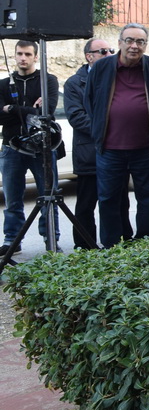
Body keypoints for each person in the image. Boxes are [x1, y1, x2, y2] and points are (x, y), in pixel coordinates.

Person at [85, 24, 149, 247]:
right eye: (129, 40)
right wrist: (99, 130)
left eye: (140, 42)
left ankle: (145, 243)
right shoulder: (102, 67)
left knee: (148, 198)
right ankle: (113, 246)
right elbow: (91, 100)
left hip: (146, 148)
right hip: (110, 148)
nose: (134, 46)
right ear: (120, 42)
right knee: (109, 199)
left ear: (146, 45)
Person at [0, 40, 60, 255]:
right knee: (12, 198)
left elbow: (47, 112)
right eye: (19, 54)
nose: (22, 58)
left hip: (41, 148)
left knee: (49, 196)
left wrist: (11, 109)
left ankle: (51, 238)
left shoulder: (48, 81)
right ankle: (12, 241)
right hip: (11, 147)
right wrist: (27, 109)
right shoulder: (4, 84)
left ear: (36, 56)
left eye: (27, 54)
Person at [64, 38, 118, 249]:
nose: (109, 55)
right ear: (89, 56)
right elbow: (77, 117)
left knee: (115, 202)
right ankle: (85, 247)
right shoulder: (73, 84)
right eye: (103, 51)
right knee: (86, 204)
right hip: (90, 153)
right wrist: (108, 129)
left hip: (116, 151)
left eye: (111, 50)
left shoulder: (117, 77)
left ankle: (114, 243)